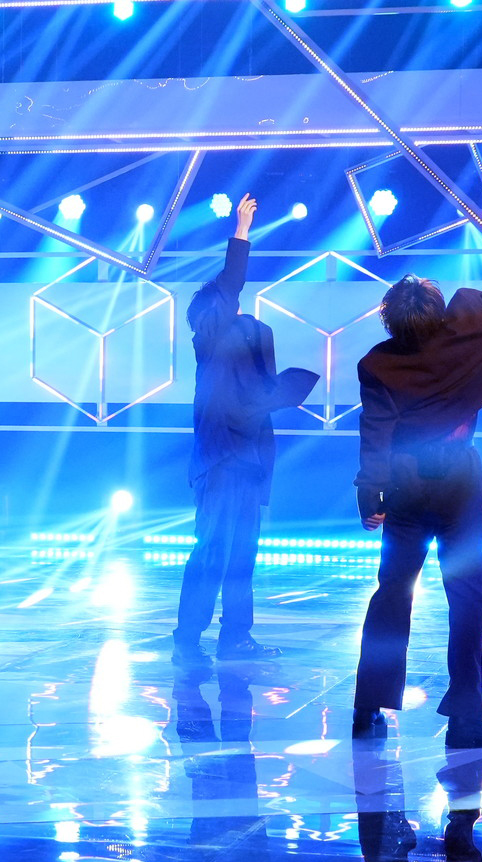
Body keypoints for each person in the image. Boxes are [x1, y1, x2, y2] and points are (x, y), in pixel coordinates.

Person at [351, 172, 482, 748]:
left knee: (393, 592)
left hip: (406, 487)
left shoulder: (378, 363)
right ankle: (465, 720)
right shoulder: (471, 323)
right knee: (468, 599)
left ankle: (368, 706)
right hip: (460, 481)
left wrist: (370, 498)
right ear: (436, 309)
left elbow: (376, 436)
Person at [175, 193, 319, 664]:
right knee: (212, 552)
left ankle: (236, 637)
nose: (241, 314)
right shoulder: (210, 338)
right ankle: (187, 640)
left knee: (242, 557)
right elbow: (229, 287)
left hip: (250, 463)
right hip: (220, 463)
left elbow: (266, 392)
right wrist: (240, 233)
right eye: (229, 307)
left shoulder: (251, 352)